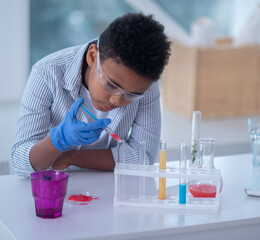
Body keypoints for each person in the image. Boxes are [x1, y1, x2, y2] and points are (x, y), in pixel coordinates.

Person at [10, 13, 171, 176]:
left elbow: (144, 157)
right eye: (111, 85)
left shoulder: (144, 85)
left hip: (109, 186)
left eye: (132, 95)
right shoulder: (47, 73)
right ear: (93, 56)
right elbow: (18, 164)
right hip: (54, 186)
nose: (116, 100)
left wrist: (71, 157)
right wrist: (58, 140)